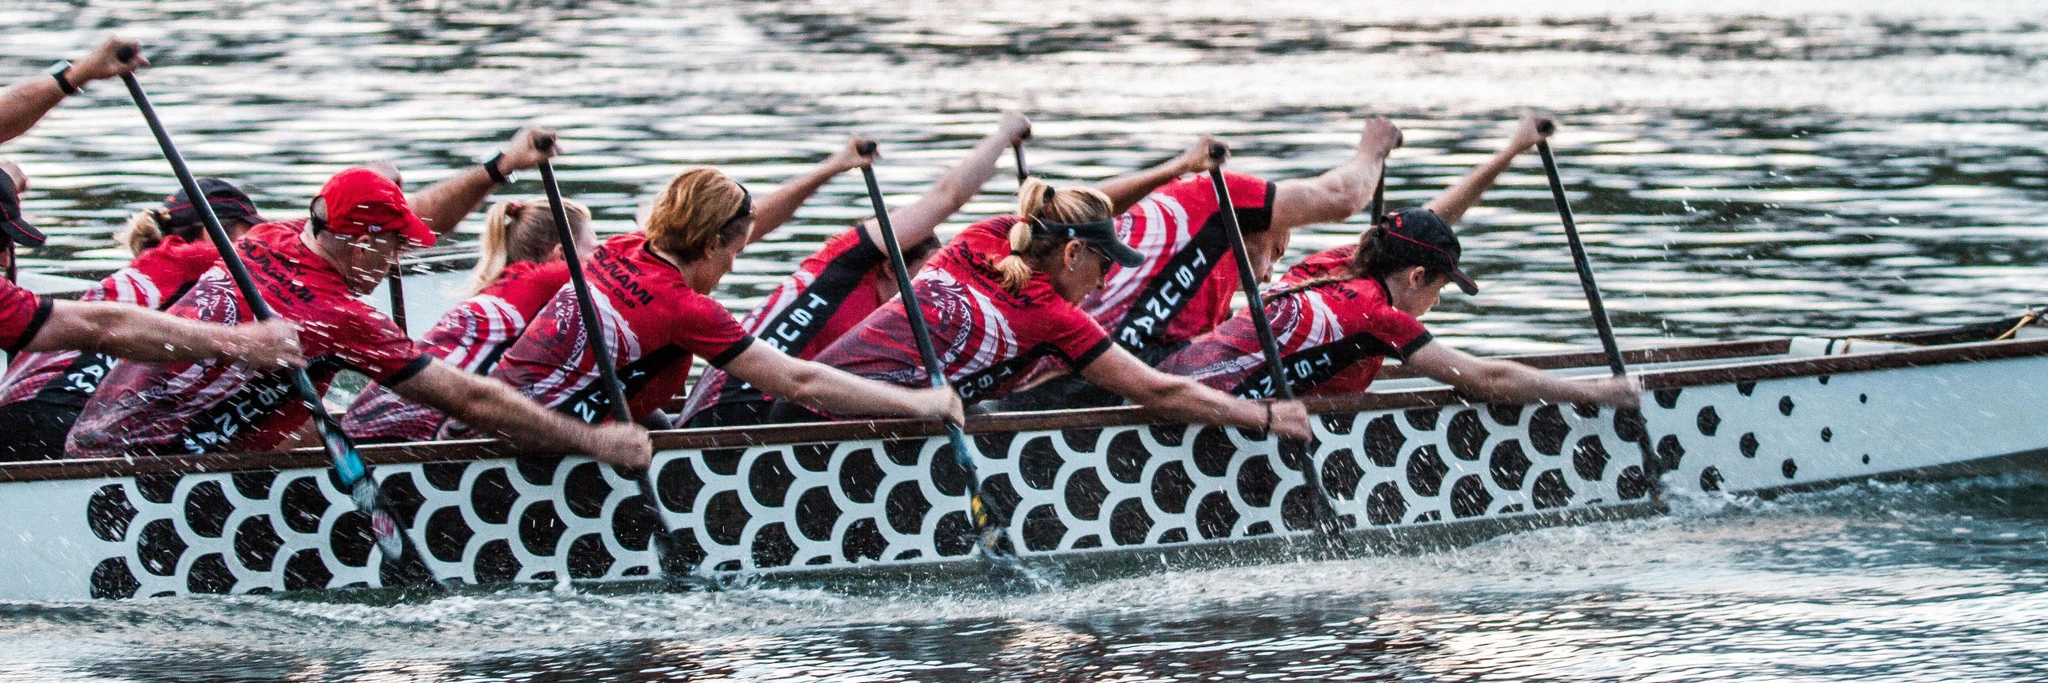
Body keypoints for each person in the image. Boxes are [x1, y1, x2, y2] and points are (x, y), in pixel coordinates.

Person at [65, 167, 651, 466]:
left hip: (86, 450)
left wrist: (498, 166)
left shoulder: (272, 237)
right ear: (361, 240)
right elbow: (467, 400)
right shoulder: (339, 316)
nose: (397, 260)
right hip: (146, 486)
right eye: (393, 245)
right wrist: (592, 441)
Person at [1161, 114, 1641, 409]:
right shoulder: (1379, 315)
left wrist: (1512, 150)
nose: (1434, 302)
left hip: (1169, 381)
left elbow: (1430, 222)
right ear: (1415, 277)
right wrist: (1599, 393)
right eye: (1439, 289)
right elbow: (1483, 380)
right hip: (1193, 419)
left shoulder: (1333, 267)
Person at [465, 166, 963, 436]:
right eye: (734, 254)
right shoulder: (686, 309)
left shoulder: (626, 246)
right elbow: (798, 380)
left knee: (660, 424)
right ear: (708, 245)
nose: (732, 268)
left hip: (506, 412)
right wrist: (920, 403)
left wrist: (830, 169)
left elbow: (747, 218)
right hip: (533, 437)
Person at [803, 179, 1315, 440]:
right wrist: (1266, 416)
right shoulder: (1053, 319)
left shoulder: (982, 236)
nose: (1105, 283)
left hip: (805, 405)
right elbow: (1161, 392)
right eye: (1104, 265)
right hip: (830, 435)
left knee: (978, 414)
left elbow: (1040, 213)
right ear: (1072, 254)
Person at [997, 117, 1406, 410]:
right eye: (1275, 253)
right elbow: (1343, 197)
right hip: (1071, 386)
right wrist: (1374, 148)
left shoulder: (1173, 229)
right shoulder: (1220, 196)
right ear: (1258, 224)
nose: (1267, 277)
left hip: (1054, 377)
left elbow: (1063, 214)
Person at [680, 114, 1034, 427]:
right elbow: (947, 197)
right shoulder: (844, 264)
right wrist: (1004, 133)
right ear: (888, 268)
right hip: (735, 418)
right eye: (924, 277)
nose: (933, 290)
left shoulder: (891, 322)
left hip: (779, 410)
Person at [0, 168, 302, 461]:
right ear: (215, 233)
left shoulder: (156, 265)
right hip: (63, 423)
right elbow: (293, 259)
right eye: (254, 233)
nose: (259, 242)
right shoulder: (202, 261)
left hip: (14, 419)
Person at [340, 197, 593, 442]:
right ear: (561, 256)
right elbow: (615, 270)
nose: (595, 256)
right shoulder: (545, 281)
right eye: (592, 249)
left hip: (366, 424)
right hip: (385, 438)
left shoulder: (510, 285)